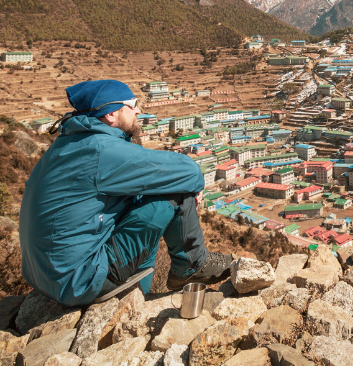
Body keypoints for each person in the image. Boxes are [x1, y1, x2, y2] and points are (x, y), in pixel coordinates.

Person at [20, 79, 232, 306]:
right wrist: (189, 187)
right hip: (79, 280)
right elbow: (189, 171)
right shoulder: (102, 150)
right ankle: (192, 266)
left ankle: (140, 294)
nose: (138, 110)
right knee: (174, 194)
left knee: (148, 196)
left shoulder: (70, 143)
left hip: (45, 276)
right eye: (132, 104)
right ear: (111, 114)